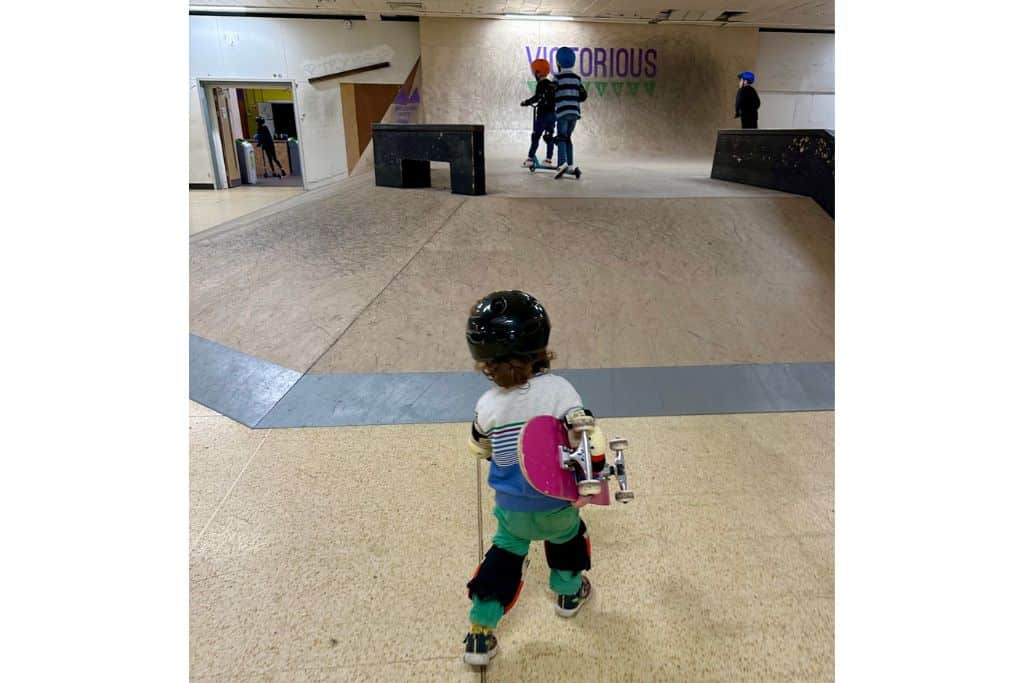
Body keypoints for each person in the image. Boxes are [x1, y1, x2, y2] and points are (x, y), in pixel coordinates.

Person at [462, 290, 607, 667]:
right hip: (557, 501)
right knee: (568, 540)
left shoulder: (488, 405)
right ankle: (568, 596)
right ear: (542, 346)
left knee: (504, 557)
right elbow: (585, 435)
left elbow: (480, 447)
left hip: (513, 509)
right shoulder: (561, 391)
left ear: (485, 364)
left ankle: (480, 633)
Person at [552, 47, 587, 179]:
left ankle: (562, 164)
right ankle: (570, 165)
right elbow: (583, 95)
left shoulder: (557, 77)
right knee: (568, 138)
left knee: (561, 137)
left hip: (562, 112)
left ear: (558, 63)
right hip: (574, 113)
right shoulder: (577, 78)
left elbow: (553, 91)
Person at [519, 58, 557, 168]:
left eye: (535, 72)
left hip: (543, 115)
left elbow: (537, 97)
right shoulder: (552, 84)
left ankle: (530, 158)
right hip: (552, 115)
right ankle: (548, 159)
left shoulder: (541, 84)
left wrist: (526, 102)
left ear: (538, 72)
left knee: (536, 136)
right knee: (549, 136)